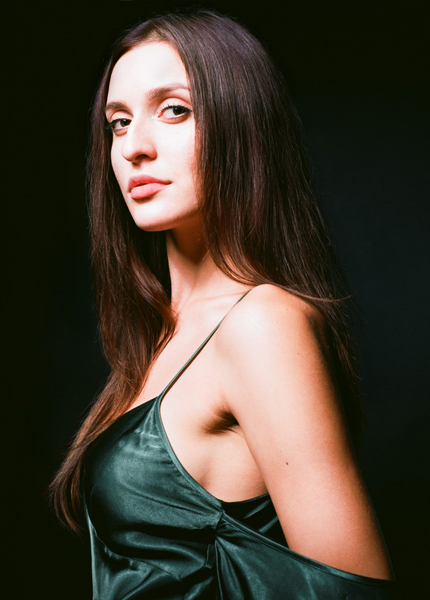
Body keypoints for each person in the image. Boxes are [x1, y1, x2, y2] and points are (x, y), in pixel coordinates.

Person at [51, 8, 395, 599]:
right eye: (119, 122)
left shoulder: (262, 324)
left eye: (174, 110)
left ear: (241, 124)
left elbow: (351, 589)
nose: (134, 147)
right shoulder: (162, 331)